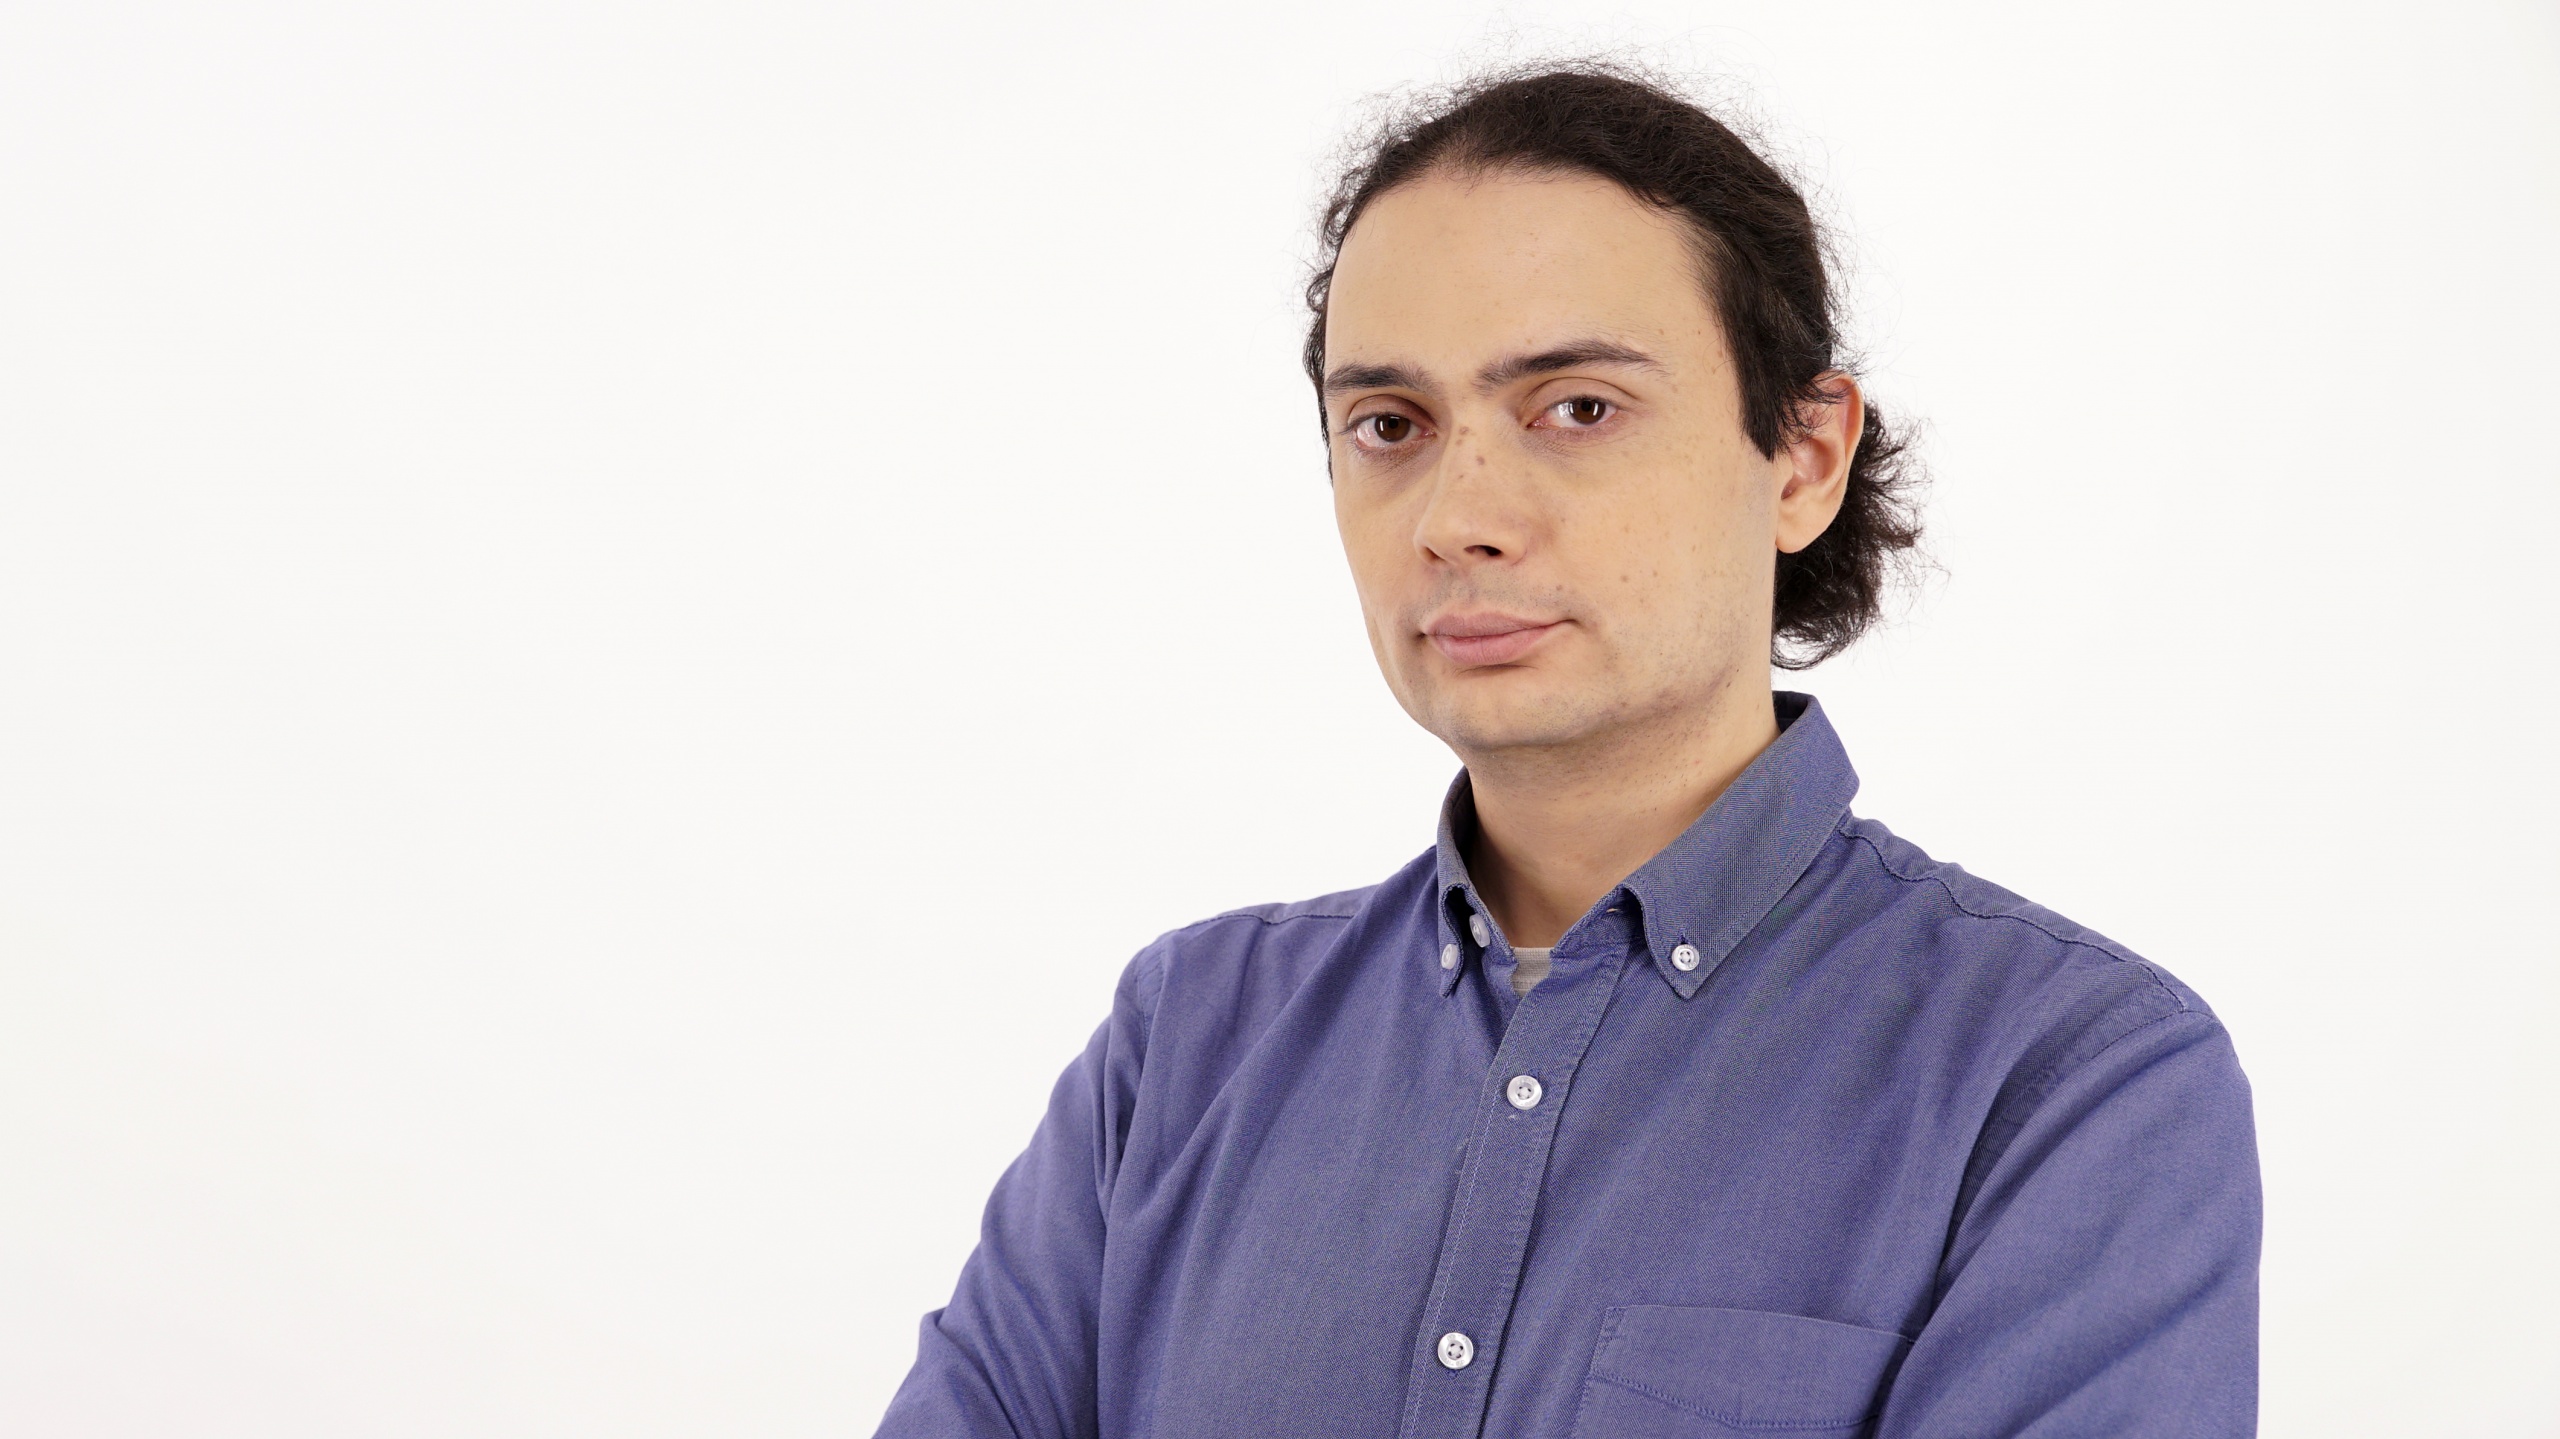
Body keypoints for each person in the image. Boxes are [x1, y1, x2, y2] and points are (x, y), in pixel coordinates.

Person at [874, 63, 2258, 1439]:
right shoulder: (1185, 1042)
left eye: (1577, 408)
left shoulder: (2069, 1082)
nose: (1457, 519)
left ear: (1804, 459)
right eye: (1390, 427)